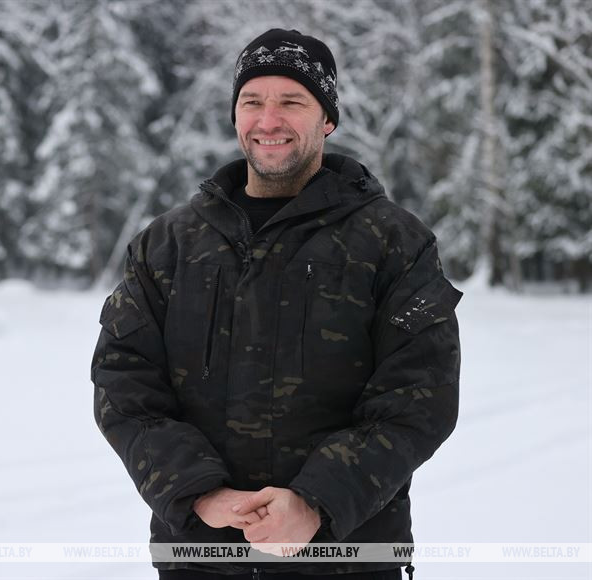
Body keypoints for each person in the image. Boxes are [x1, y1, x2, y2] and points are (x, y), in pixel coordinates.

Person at [91, 28, 462, 579]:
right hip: (202, 560)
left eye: (292, 102)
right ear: (234, 115)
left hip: (347, 560)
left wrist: (315, 503)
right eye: (252, 102)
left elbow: (418, 399)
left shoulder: (394, 243)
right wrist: (201, 494)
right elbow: (124, 386)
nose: (268, 121)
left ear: (327, 119)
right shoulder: (168, 244)